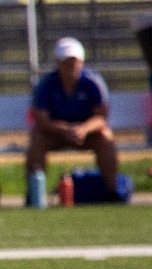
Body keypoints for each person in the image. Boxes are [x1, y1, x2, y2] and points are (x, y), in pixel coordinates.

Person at [27, 36, 118, 201]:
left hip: (87, 134)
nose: (71, 67)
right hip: (55, 134)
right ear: (58, 64)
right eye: (66, 63)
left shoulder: (93, 83)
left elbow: (101, 118)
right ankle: (34, 195)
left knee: (106, 137)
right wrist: (65, 129)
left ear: (81, 62)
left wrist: (82, 129)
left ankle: (112, 192)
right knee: (37, 138)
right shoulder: (47, 85)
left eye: (74, 62)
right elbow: (41, 120)